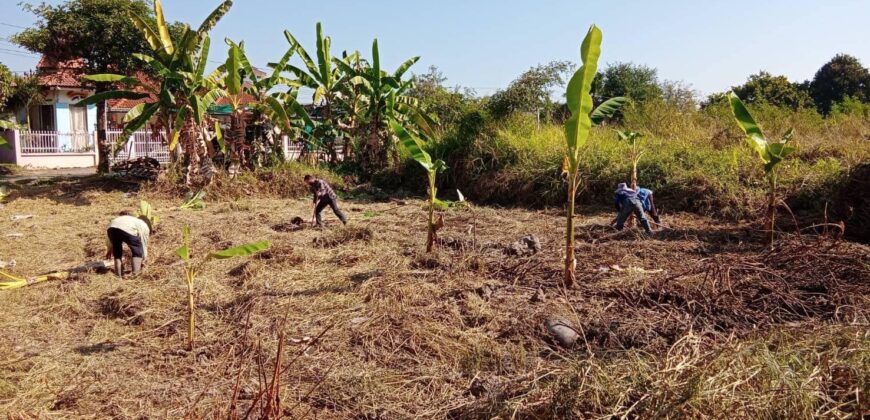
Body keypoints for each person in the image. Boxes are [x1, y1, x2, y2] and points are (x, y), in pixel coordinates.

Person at [105, 210, 151, 277]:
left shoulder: (119, 219)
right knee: (137, 248)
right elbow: (143, 242)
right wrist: (144, 257)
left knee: (117, 251)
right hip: (126, 228)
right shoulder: (143, 224)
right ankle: (136, 274)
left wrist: (109, 250)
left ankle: (118, 275)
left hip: (111, 229)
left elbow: (108, 238)